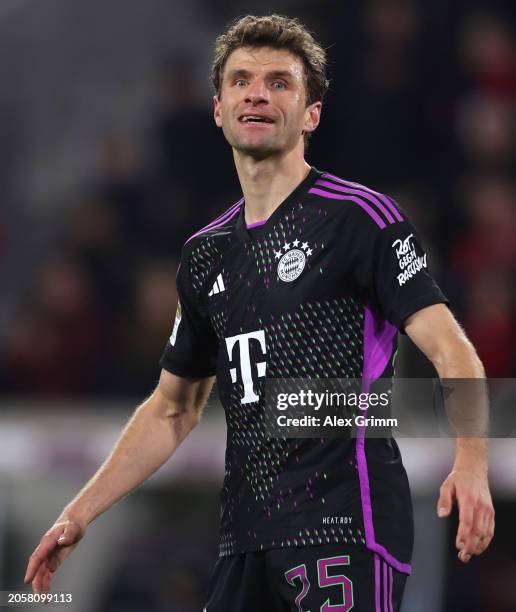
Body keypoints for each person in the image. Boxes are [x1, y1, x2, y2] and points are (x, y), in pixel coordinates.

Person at [25, 14, 494, 611]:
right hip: (244, 540)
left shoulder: (360, 218)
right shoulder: (204, 254)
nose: (257, 93)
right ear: (218, 108)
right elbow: (172, 409)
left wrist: (472, 464)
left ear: (312, 113)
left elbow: (453, 350)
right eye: (242, 80)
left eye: (280, 82)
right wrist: (79, 511)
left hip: (345, 525)